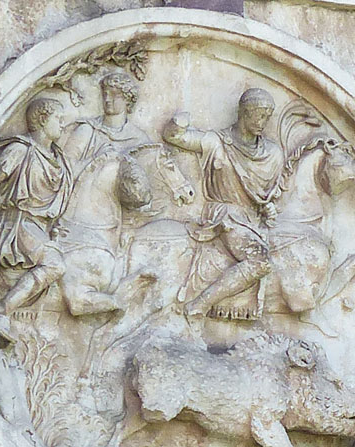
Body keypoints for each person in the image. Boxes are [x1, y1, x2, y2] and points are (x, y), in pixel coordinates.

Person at [163, 88, 284, 318]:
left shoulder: (273, 154)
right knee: (260, 262)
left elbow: (265, 196)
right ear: (243, 113)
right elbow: (175, 137)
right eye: (258, 115)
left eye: (267, 116)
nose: (262, 122)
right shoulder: (217, 142)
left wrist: (267, 206)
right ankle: (199, 303)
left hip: (253, 221)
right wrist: (178, 123)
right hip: (225, 216)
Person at [0, 97, 73, 343]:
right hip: (19, 226)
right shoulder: (21, 149)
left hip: (40, 228)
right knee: (56, 265)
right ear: (43, 120)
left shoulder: (58, 159)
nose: (63, 125)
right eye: (58, 119)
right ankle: (0, 310)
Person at [65, 71, 150, 175]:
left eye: (115, 95)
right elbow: (65, 171)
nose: (107, 99)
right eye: (105, 94)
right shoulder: (87, 131)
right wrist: (96, 159)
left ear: (128, 99)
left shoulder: (139, 139)